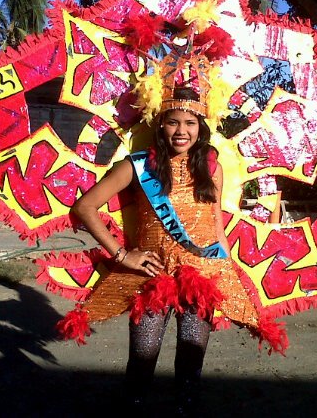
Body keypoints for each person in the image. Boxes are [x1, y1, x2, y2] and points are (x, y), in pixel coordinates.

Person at [62, 57, 288, 413]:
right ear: (160, 125)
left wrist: (227, 273)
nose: (181, 131)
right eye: (173, 122)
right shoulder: (135, 166)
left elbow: (215, 225)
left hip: (201, 274)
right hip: (151, 275)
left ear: (201, 127)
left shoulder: (211, 166)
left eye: (190, 123)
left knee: (191, 360)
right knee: (143, 355)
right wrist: (122, 256)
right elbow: (84, 208)